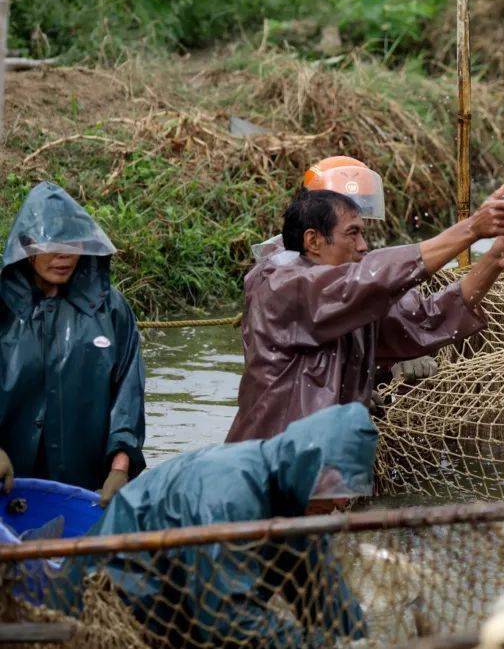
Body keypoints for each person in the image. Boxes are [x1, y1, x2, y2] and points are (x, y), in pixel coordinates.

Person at [225, 156, 504, 442]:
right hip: (276, 463)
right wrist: (469, 230)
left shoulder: (353, 290)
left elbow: (428, 318)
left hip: (328, 460)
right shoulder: (281, 279)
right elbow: (369, 277)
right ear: (312, 236)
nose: (364, 245)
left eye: (363, 230)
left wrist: (492, 261)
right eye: (352, 232)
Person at [50, 403, 375, 649]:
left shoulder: (296, 503)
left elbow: (324, 589)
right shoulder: (228, 495)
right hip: (107, 597)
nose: (337, 503)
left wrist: (359, 641)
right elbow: (226, 620)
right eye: (332, 486)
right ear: (307, 464)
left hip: (174, 599)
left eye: (346, 491)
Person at [0, 181, 145, 506]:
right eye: (52, 244)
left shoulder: (111, 309)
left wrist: (120, 466)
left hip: (85, 489)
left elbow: (128, 394)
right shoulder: (3, 307)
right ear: (27, 245)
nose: (64, 254)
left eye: (73, 242)